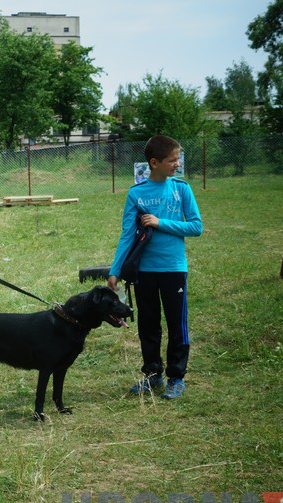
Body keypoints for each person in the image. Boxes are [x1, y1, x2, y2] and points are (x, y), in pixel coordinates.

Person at [106, 135, 203, 400]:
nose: (177, 164)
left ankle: (176, 377)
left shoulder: (182, 189)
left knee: (176, 324)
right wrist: (115, 270)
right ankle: (152, 374)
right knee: (148, 325)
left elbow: (196, 227)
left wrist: (160, 223)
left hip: (174, 269)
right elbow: (127, 234)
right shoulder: (136, 193)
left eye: (177, 159)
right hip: (144, 271)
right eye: (172, 160)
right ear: (154, 162)